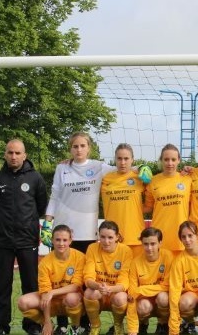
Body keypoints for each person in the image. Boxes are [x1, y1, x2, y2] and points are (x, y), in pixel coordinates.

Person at [44, 132, 115, 334]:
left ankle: (83, 324)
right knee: (61, 278)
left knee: (83, 281)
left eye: (82, 146)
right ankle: (62, 324)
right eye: (75, 146)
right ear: (70, 149)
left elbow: (124, 167)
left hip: (87, 234)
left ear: (89, 148)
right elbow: (55, 196)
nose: (79, 149)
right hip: (63, 235)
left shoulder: (97, 166)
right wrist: (48, 223)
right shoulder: (62, 168)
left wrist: (143, 168)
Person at [0, 139, 48, 335]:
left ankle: (32, 325)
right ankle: (1, 327)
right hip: (3, 241)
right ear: (5, 154)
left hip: (27, 240)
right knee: (2, 286)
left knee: (30, 285)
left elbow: (41, 206)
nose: (14, 156)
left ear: (24, 155)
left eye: (17, 153)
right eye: (10, 152)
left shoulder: (36, 178)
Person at [17, 225, 86, 335]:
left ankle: (75, 327)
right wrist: (47, 321)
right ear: (52, 240)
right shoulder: (45, 262)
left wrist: (52, 292)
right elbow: (45, 293)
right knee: (23, 302)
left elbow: (76, 286)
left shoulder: (80, 257)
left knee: (71, 298)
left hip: (71, 300)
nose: (61, 243)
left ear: (70, 241)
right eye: (58, 240)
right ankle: (48, 324)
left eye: (65, 240)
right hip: (52, 301)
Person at [83, 221, 133, 335]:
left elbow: (124, 282)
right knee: (89, 293)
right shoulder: (92, 248)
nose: (106, 241)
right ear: (98, 236)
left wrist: (110, 289)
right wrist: (98, 286)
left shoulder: (126, 251)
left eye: (110, 237)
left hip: (114, 292)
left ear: (117, 237)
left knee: (121, 297)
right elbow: (88, 277)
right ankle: (95, 326)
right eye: (103, 237)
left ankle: (118, 325)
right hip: (99, 290)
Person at [144, 144, 192, 254]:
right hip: (159, 235)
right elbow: (147, 207)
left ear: (179, 160)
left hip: (181, 236)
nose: (170, 163)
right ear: (161, 160)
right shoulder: (153, 181)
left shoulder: (188, 179)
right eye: (166, 159)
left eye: (173, 159)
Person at [101, 143, 146, 256]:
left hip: (135, 237)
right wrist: (70, 162)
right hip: (111, 239)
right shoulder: (105, 178)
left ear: (132, 160)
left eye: (126, 158)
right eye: (119, 158)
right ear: (115, 159)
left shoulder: (140, 177)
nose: (123, 162)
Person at [127, 227, 173, 335]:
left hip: (161, 298)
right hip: (145, 300)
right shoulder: (135, 263)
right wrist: (132, 330)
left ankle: (163, 324)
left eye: (153, 244)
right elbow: (132, 294)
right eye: (146, 244)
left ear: (160, 243)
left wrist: (141, 289)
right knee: (143, 306)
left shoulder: (168, 257)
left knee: (163, 298)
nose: (149, 248)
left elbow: (167, 286)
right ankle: (143, 324)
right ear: (142, 244)